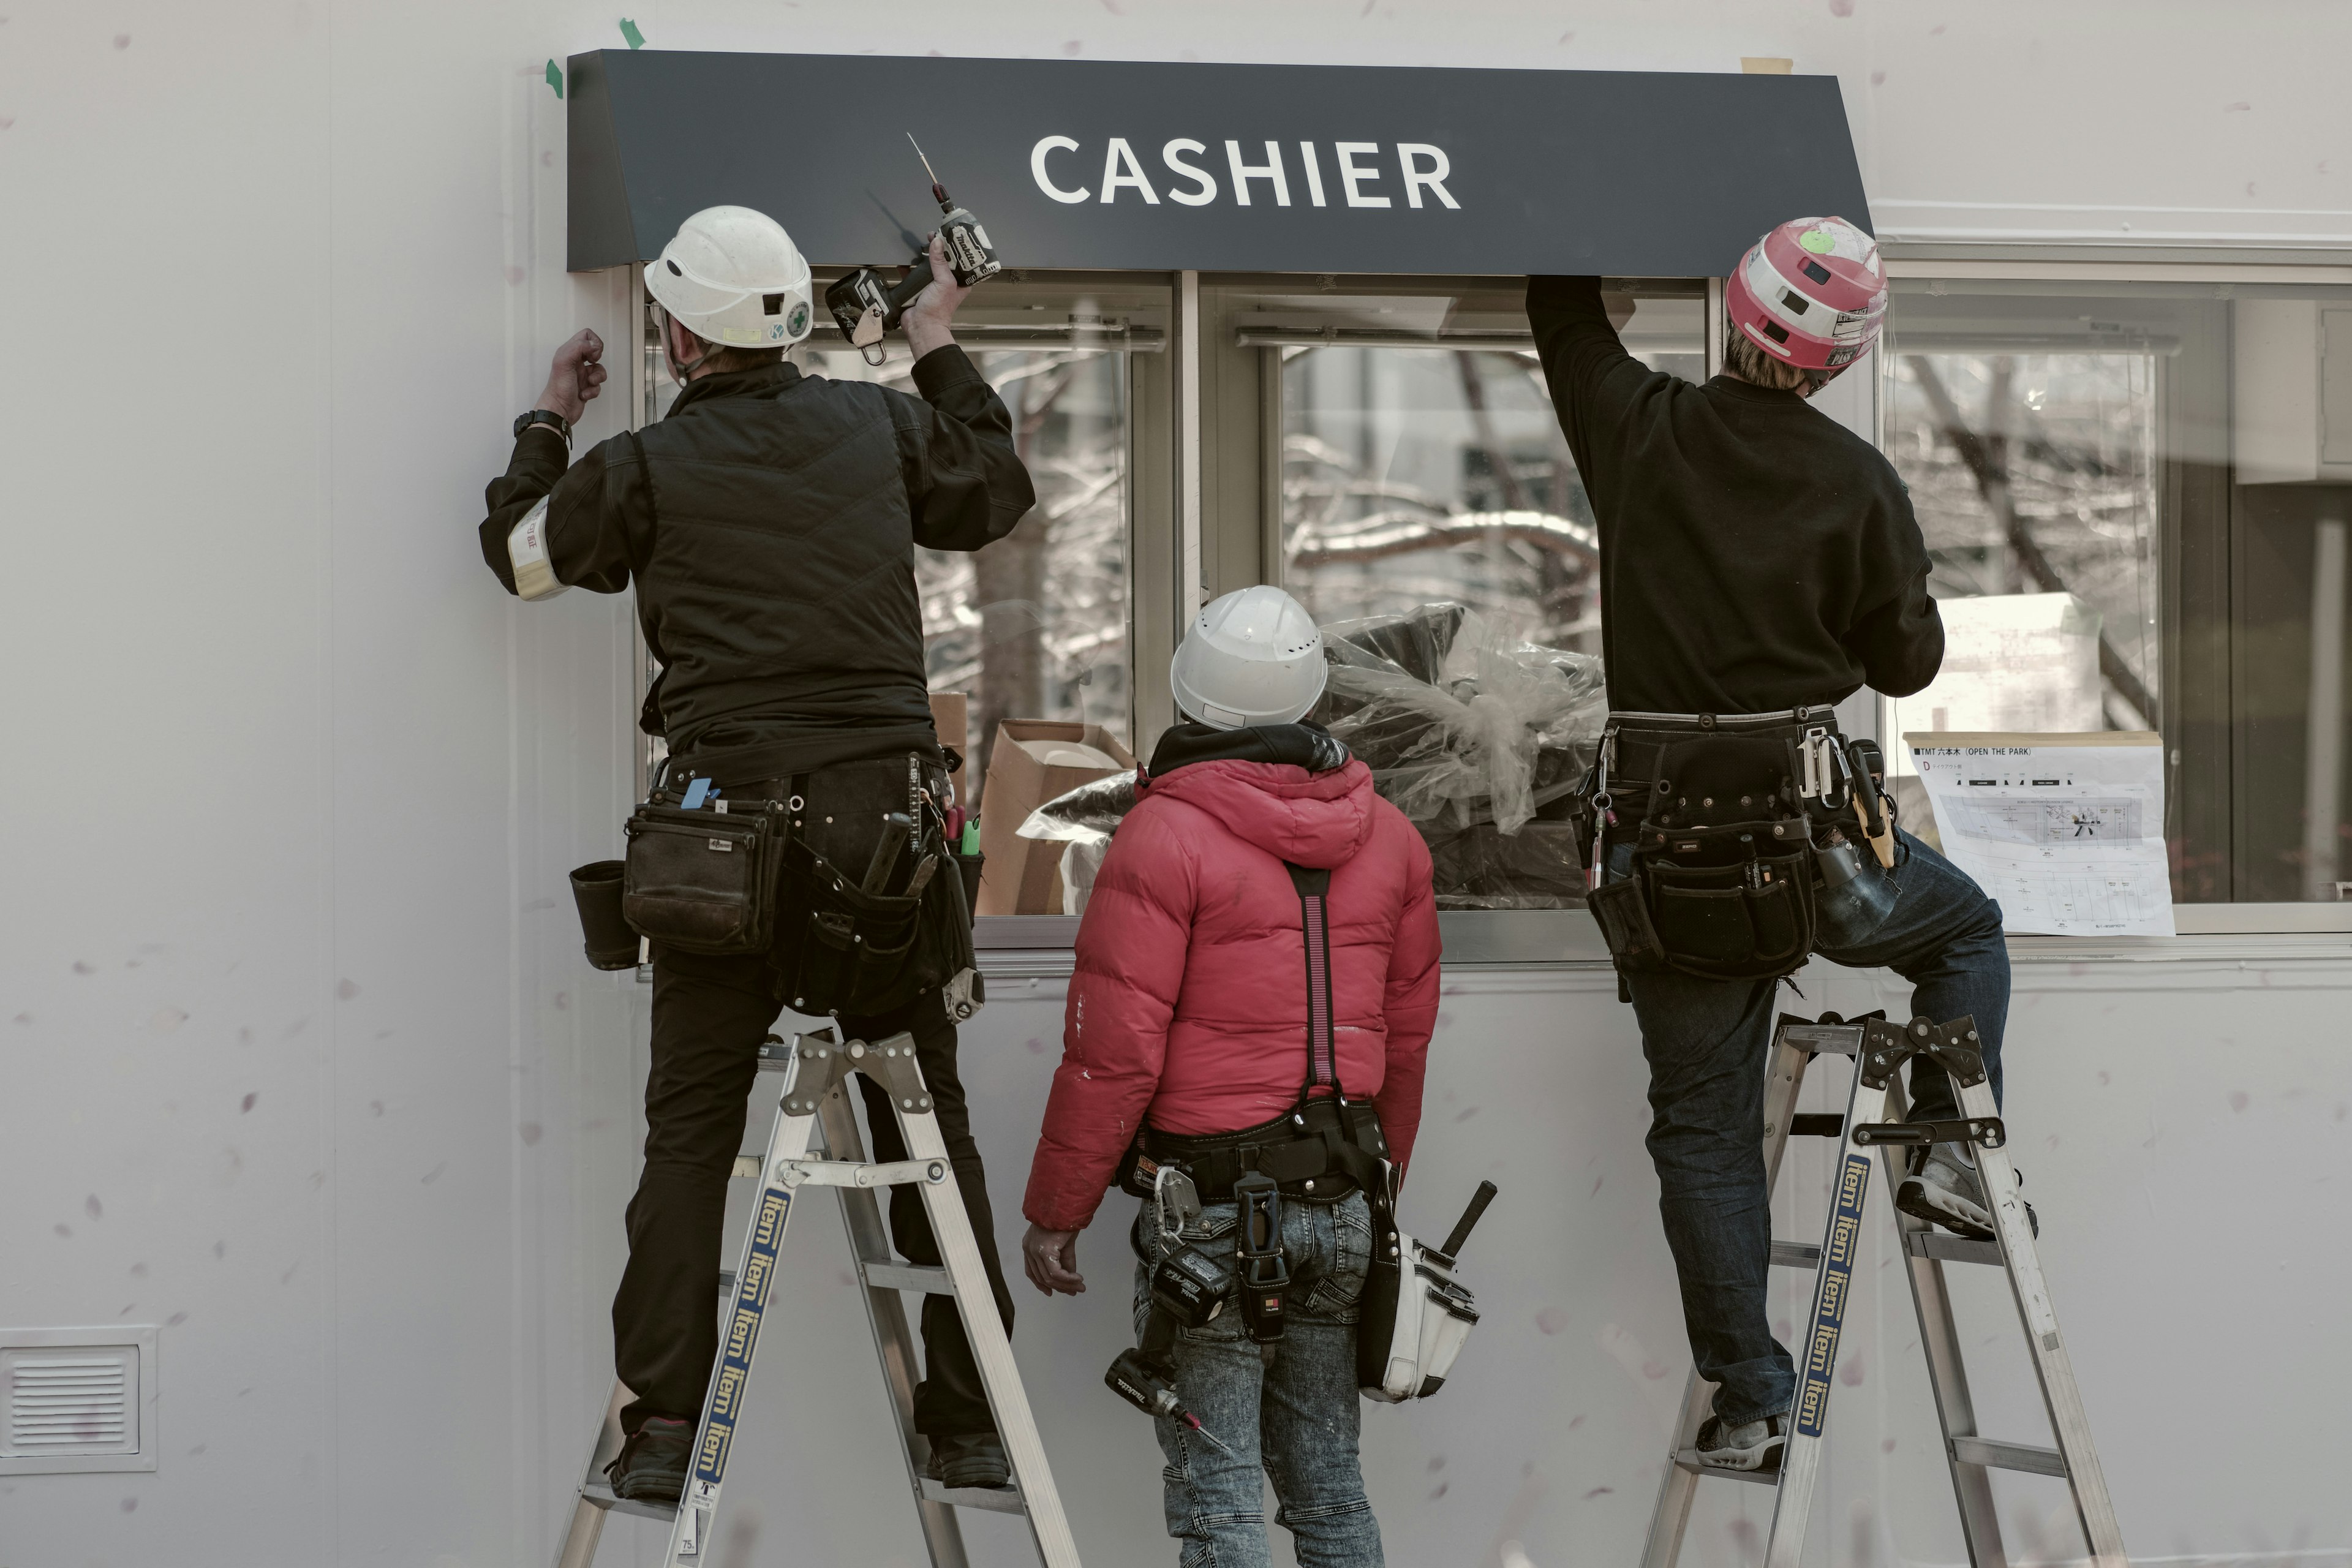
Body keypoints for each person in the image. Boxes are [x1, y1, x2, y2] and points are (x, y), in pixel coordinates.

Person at [477, 206, 1035, 1499]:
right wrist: (934, 343)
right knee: (925, 1123)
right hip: (886, 845)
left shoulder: (645, 466)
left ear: (678, 331)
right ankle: (971, 1419)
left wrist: (550, 421)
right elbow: (995, 488)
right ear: (785, 321)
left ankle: (665, 1430)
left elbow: (518, 562)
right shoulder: (883, 426)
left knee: (690, 1137)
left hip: (720, 848)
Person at [1527, 216, 2010, 1474]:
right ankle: (1948, 1149)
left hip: (1664, 863)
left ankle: (1749, 1396)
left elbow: (1561, 315)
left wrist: (1577, 227)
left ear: (1735, 317)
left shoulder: (1638, 430)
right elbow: (1907, 658)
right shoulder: (1855, 483)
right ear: (1843, 361)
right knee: (1963, 926)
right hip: (1818, 861)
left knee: (1701, 1122)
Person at [1018, 586, 1442, 1568]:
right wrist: (1379, 1199)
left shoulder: (1162, 835)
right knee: (1331, 1493)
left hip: (1212, 1213)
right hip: (1340, 1201)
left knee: (1220, 1503)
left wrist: (1059, 1210)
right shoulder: (1393, 839)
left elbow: (1114, 1051)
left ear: (1190, 697)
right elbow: (1408, 1047)